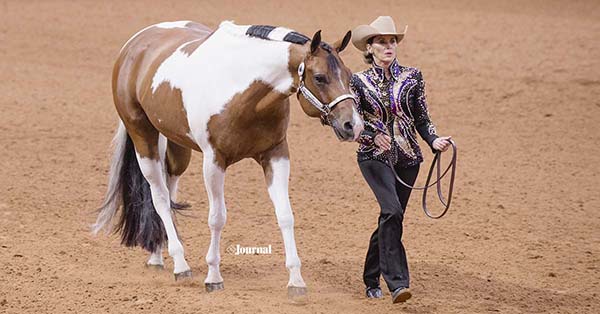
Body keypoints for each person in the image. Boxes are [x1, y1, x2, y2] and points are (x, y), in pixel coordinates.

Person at [349, 16, 452, 303]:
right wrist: (370, 134)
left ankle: (370, 278)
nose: (388, 46)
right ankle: (398, 283)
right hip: (373, 157)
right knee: (392, 212)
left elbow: (422, 117)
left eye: (392, 41)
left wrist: (434, 140)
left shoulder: (413, 76)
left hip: (409, 157)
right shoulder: (358, 82)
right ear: (369, 47)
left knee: (391, 217)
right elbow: (351, 123)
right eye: (381, 41)